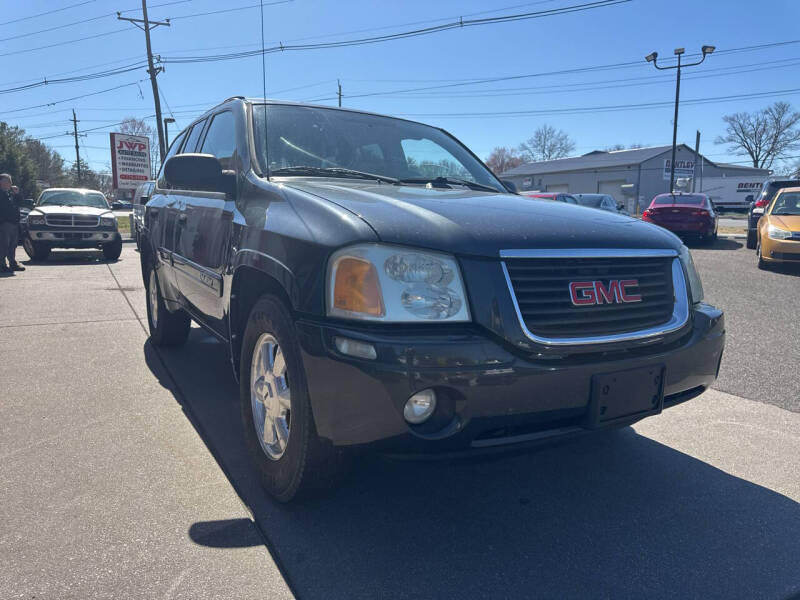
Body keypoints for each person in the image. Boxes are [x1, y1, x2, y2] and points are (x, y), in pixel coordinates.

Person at [0, 173, 25, 273]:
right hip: (4, 224)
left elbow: (20, 204)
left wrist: (17, 194)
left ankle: (13, 263)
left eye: (10, 181)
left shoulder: (11, 194)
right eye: (7, 181)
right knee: (3, 245)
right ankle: (1, 265)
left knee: (13, 245)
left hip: (14, 223)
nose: (10, 183)